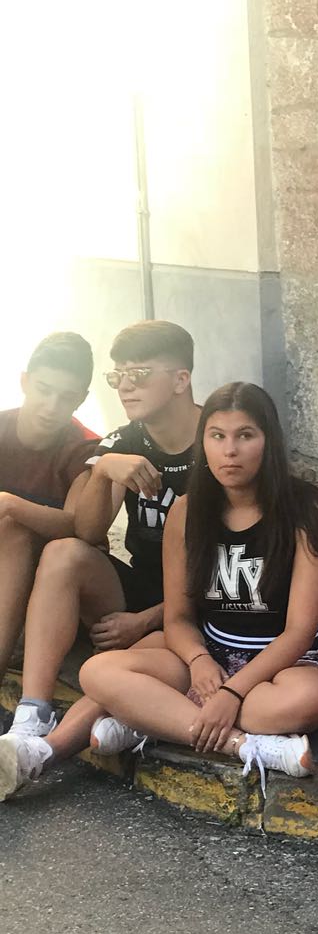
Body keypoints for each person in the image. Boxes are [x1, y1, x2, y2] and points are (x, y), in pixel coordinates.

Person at [59, 383, 318, 780]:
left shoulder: (307, 511)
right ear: (203, 442)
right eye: (217, 436)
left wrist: (231, 692)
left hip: (290, 661)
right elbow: (177, 617)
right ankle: (244, 745)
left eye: (245, 436)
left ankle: (153, 719)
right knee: (97, 672)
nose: (230, 451)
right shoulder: (187, 511)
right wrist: (200, 663)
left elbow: (298, 632)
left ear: (269, 442)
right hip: (209, 652)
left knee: (303, 704)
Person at [6, 321, 202, 751]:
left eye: (140, 375)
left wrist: (148, 618)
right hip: (136, 590)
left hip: (200, 608)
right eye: (119, 377)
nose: (126, 388)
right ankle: (32, 713)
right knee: (64, 554)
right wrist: (104, 471)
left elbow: (232, 563)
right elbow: (88, 532)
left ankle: (72, 740)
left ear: (180, 380)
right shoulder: (123, 441)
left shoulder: (217, 444)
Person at [0, 333, 98, 717]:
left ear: (81, 399)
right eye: (43, 390)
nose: (51, 406)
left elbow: (77, 526)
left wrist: (13, 505)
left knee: (16, 527)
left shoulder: (85, 448)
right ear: (24, 381)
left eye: (66, 397)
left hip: (49, 595)